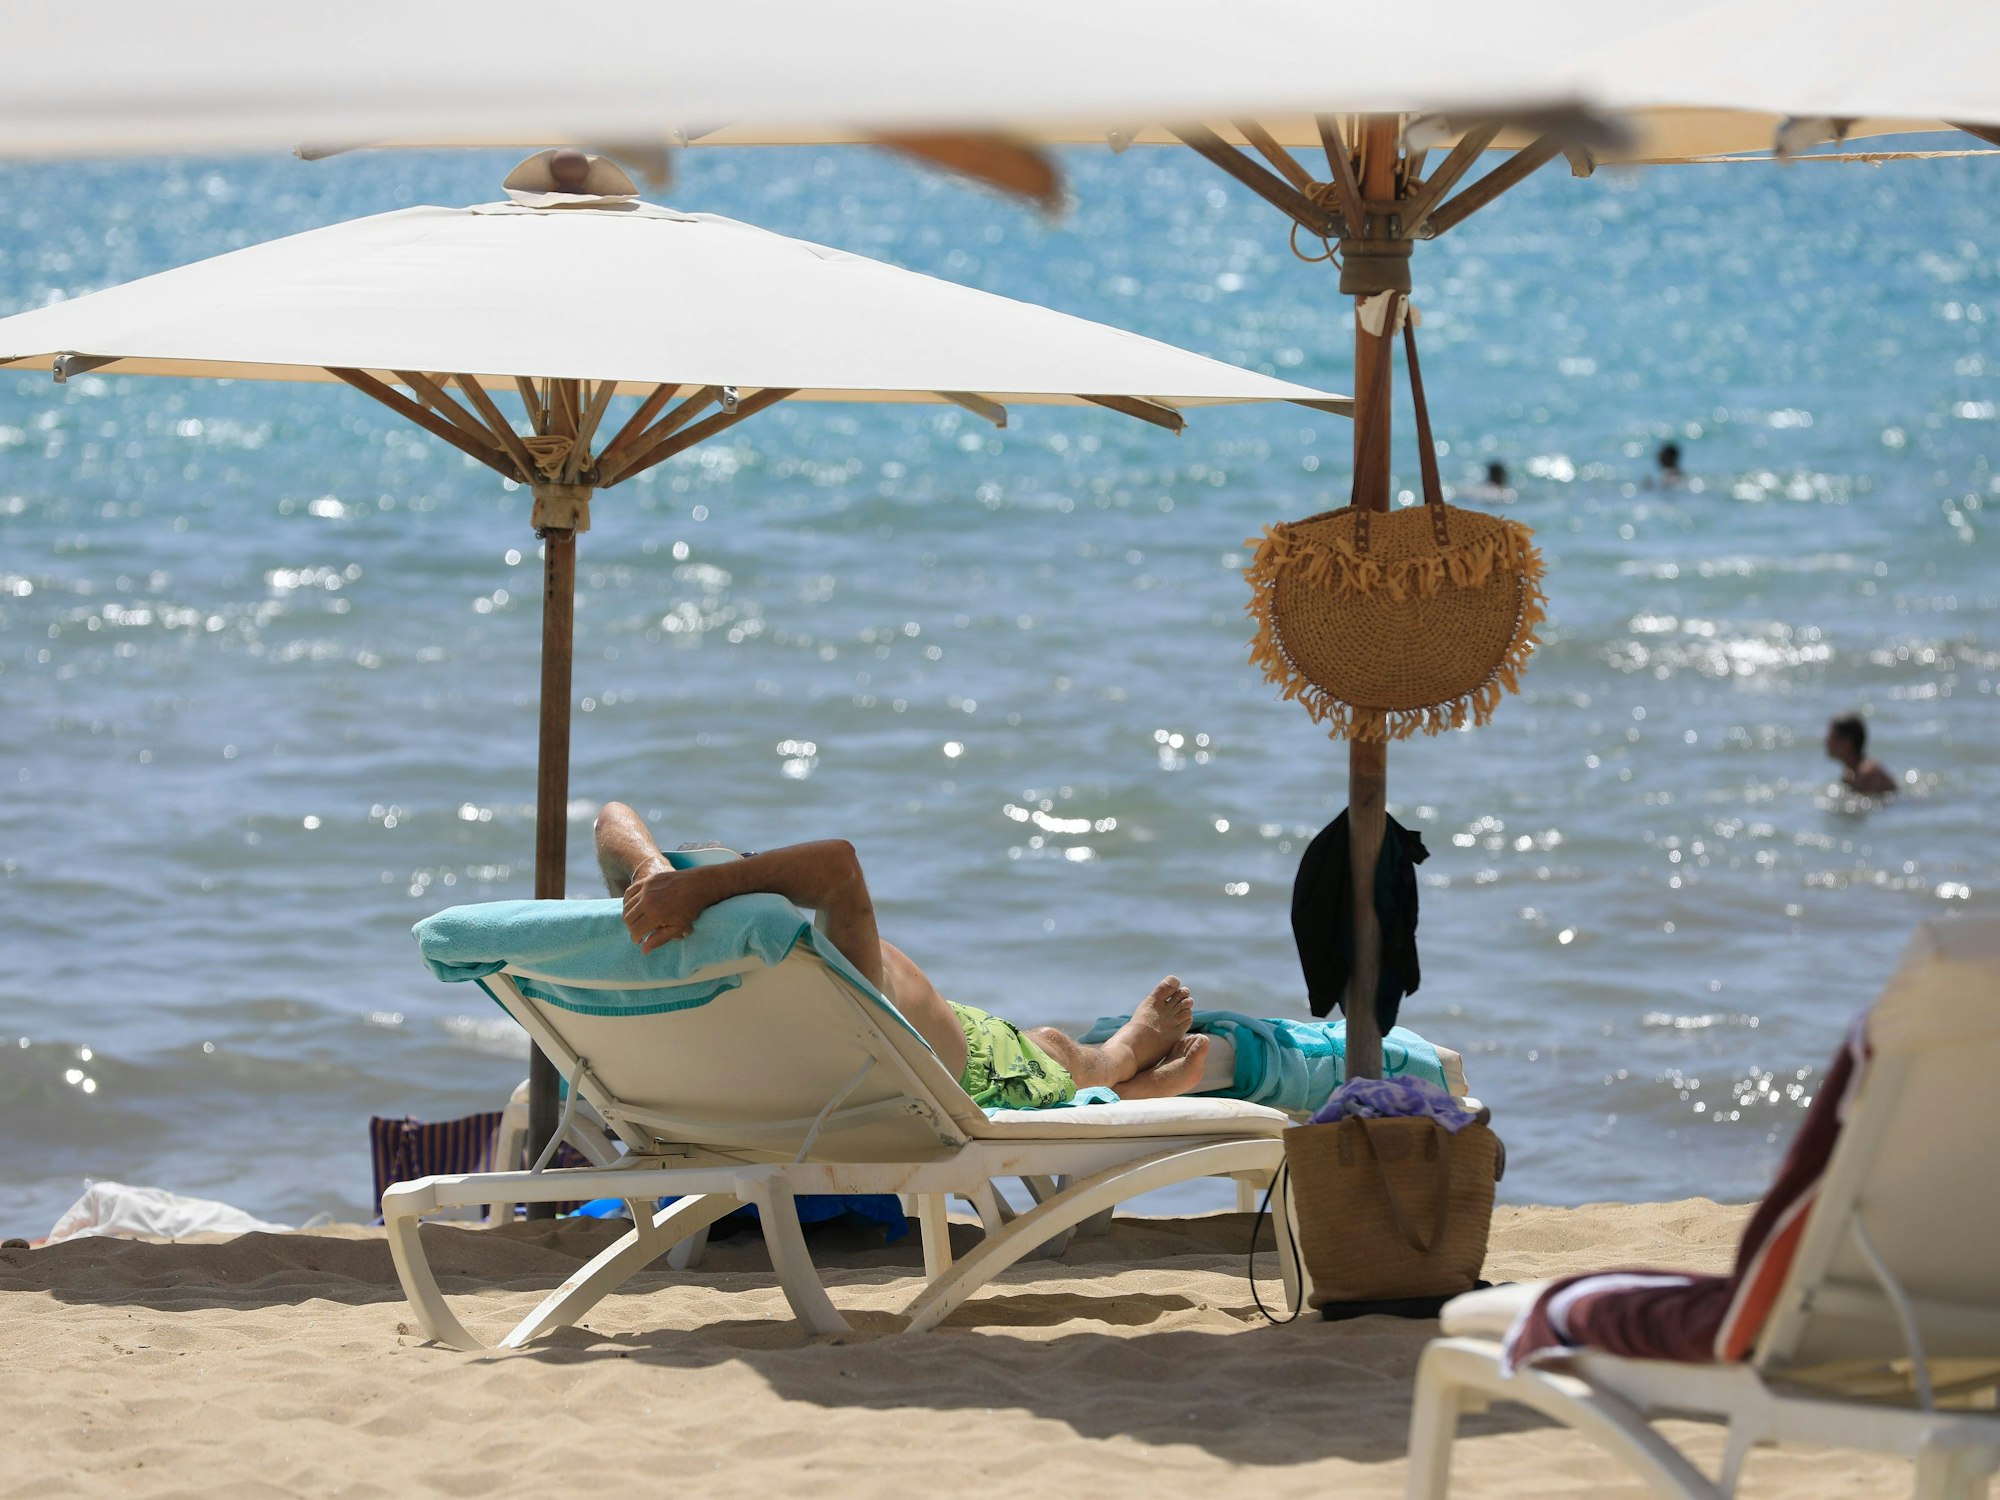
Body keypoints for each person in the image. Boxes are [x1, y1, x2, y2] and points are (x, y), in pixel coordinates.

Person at [593, 802, 1212, 1106]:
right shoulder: (831, 979)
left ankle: (1127, 1067)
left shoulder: (670, 958)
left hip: (877, 1057)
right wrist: (703, 885)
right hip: (975, 1076)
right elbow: (838, 862)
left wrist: (654, 876)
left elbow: (609, 820)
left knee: (1042, 1041)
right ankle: (1129, 1058)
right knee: (1064, 1052)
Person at [1825, 713, 1896, 795]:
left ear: (1847, 742)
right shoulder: (1848, 774)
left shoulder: (1869, 773)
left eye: (1831, 738)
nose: (1827, 742)